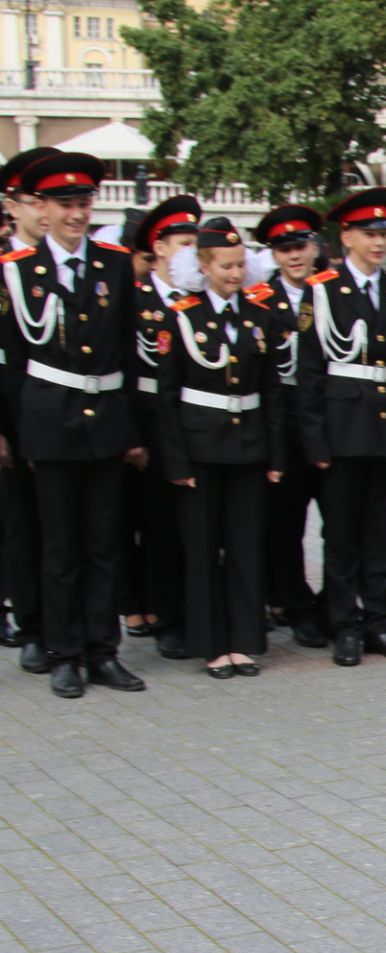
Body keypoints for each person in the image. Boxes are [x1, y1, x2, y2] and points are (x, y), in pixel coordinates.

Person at [0, 152, 148, 697]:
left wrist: (132, 432)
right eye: (66, 205)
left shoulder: (113, 263)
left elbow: (130, 356)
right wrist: (13, 433)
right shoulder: (15, 273)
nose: (77, 215)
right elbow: (12, 364)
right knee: (60, 547)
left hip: (105, 419)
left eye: (84, 203)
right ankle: (64, 652)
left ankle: (102, 650)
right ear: (40, 207)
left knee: (103, 543)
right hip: (49, 424)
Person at [153, 219, 284, 678]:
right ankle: (211, 644)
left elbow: (271, 391)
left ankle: (244, 641)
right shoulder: (180, 317)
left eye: (239, 265)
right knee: (204, 549)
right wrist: (176, 461)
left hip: (248, 445)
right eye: (225, 265)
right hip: (200, 447)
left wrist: (275, 456)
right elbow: (166, 396)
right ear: (204, 266)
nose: (234, 273)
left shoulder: (259, 316)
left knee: (246, 546)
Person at [298, 187, 386, 668]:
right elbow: (310, 372)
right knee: (342, 535)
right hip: (343, 429)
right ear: (345, 236)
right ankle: (344, 624)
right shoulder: (321, 291)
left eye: (382, 234)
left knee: (379, 533)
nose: (378, 243)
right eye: (369, 234)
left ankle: (377, 620)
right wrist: (316, 441)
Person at [248, 204, 330, 648]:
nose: (294, 255)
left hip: (331, 424)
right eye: (283, 248)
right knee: (285, 525)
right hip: (284, 425)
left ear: (315, 246)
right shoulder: (259, 300)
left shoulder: (332, 292)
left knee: (337, 524)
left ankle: (333, 603)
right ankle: (295, 606)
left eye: (300, 245)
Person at [125, 193, 202, 661]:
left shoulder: (197, 301)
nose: (192, 250)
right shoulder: (136, 300)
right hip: (151, 421)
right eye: (183, 242)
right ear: (159, 247)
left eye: (195, 241)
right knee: (157, 526)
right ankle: (164, 616)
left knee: (193, 526)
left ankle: (195, 612)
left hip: (195, 424)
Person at [0, 146, 61, 665]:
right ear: (13, 205)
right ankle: (35, 626)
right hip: (14, 414)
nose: (46, 211)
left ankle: (76, 627)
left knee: (72, 529)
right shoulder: (4, 268)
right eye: (33, 199)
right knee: (24, 526)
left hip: (69, 419)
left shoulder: (73, 260)